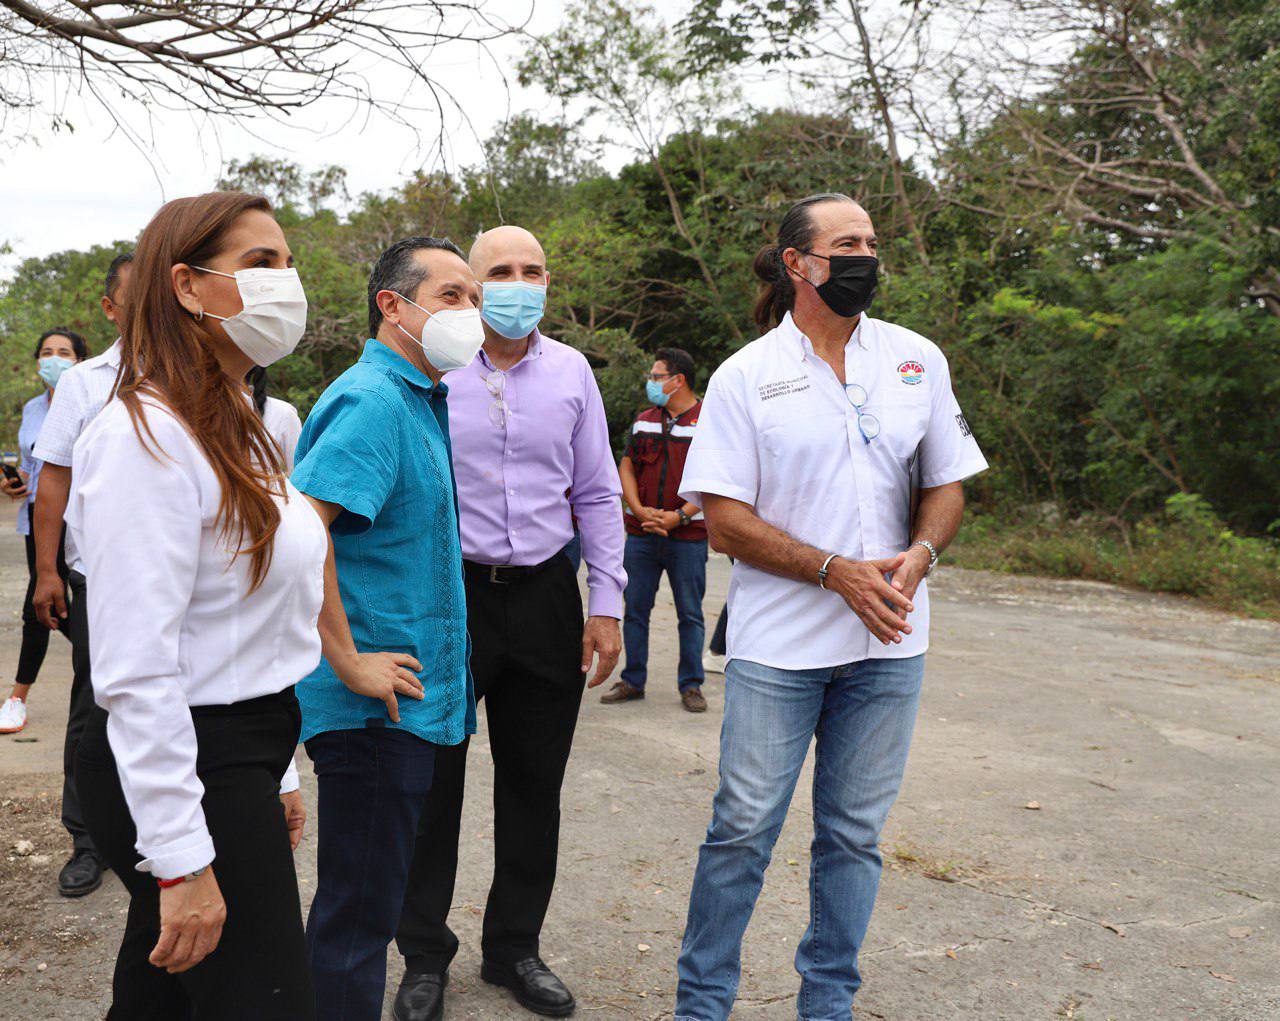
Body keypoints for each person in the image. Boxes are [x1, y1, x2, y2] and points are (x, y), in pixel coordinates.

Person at [673, 193, 988, 1020]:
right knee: (743, 830)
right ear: (798, 262)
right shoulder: (746, 376)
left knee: (853, 836)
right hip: (778, 647)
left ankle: (828, 1002)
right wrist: (832, 571)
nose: (866, 259)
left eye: (872, 244)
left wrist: (920, 556)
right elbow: (723, 521)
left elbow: (948, 484)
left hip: (890, 647)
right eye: (847, 244)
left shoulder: (916, 359)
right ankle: (702, 1004)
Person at [69, 191, 323, 1018]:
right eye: (260, 263)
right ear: (186, 285)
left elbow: (249, 622)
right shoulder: (144, 439)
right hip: (190, 755)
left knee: (164, 998)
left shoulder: (238, 422)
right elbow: (136, 667)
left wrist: (278, 767)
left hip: (241, 744)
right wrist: (181, 858)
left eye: (288, 262)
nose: (286, 282)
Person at [393, 225, 625, 1021]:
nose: (518, 284)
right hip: (449, 595)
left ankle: (514, 947)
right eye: (500, 271)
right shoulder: (433, 368)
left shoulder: (572, 372)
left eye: (533, 271)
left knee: (534, 783)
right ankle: (424, 953)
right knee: (433, 784)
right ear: (471, 282)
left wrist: (607, 602)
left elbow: (597, 492)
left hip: (545, 595)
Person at [290, 236, 478, 1021]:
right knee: (358, 915)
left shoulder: (419, 398)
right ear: (392, 306)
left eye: (473, 297)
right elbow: (304, 529)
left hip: (410, 704)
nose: (471, 312)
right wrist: (348, 658)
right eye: (452, 295)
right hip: (373, 708)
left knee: (368, 901)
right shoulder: (373, 400)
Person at [30, 251, 133, 897]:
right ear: (110, 308)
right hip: (99, 576)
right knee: (95, 706)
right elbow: (53, 482)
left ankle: (160, 832)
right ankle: (89, 839)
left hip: (180, 579)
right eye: (135, 294)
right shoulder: (83, 383)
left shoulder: (197, 369)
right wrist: (47, 572)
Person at [601, 347, 708, 712]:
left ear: (678, 380)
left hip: (688, 536)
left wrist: (680, 516)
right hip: (642, 533)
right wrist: (637, 508)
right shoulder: (645, 420)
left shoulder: (708, 422)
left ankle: (691, 685)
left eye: (656, 376)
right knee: (635, 610)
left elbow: (715, 478)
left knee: (690, 613)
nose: (650, 382)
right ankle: (633, 680)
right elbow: (627, 466)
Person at [0, 329, 89, 735]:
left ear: (81, 361)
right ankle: (107, 660)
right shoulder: (33, 408)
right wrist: (11, 483)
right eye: (47, 352)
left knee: (42, 600)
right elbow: (30, 466)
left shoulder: (92, 399)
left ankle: (17, 697)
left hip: (79, 515)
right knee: (48, 600)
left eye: (64, 352)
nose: (53, 359)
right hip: (36, 517)